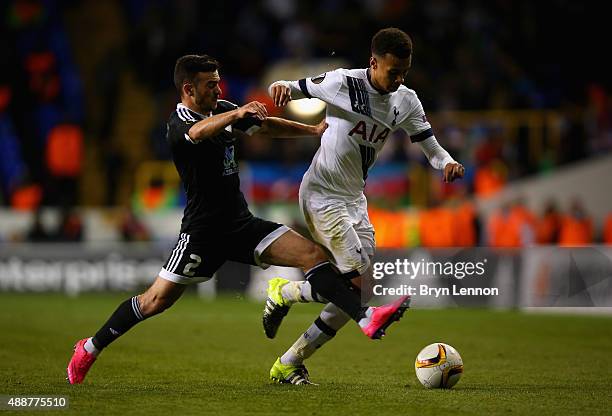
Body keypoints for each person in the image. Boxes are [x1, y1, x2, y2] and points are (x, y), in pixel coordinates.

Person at [66, 54, 411, 385]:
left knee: (313, 257)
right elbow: (199, 133)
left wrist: (310, 131)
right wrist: (235, 115)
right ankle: (90, 348)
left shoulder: (224, 110)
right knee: (155, 301)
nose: (218, 90)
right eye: (210, 85)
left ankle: (365, 317)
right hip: (203, 234)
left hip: (241, 224)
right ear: (188, 90)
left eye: (218, 83)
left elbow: (264, 126)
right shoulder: (178, 124)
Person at [263, 28, 464, 384]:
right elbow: (294, 86)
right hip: (321, 193)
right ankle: (289, 306)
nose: (399, 79)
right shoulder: (343, 83)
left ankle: (289, 347)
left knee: (357, 289)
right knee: (356, 281)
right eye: (393, 72)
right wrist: (280, 86)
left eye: (404, 72)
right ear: (373, 63)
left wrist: (446, 162)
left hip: (354, 199)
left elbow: (430, 146)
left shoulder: (406, 100)